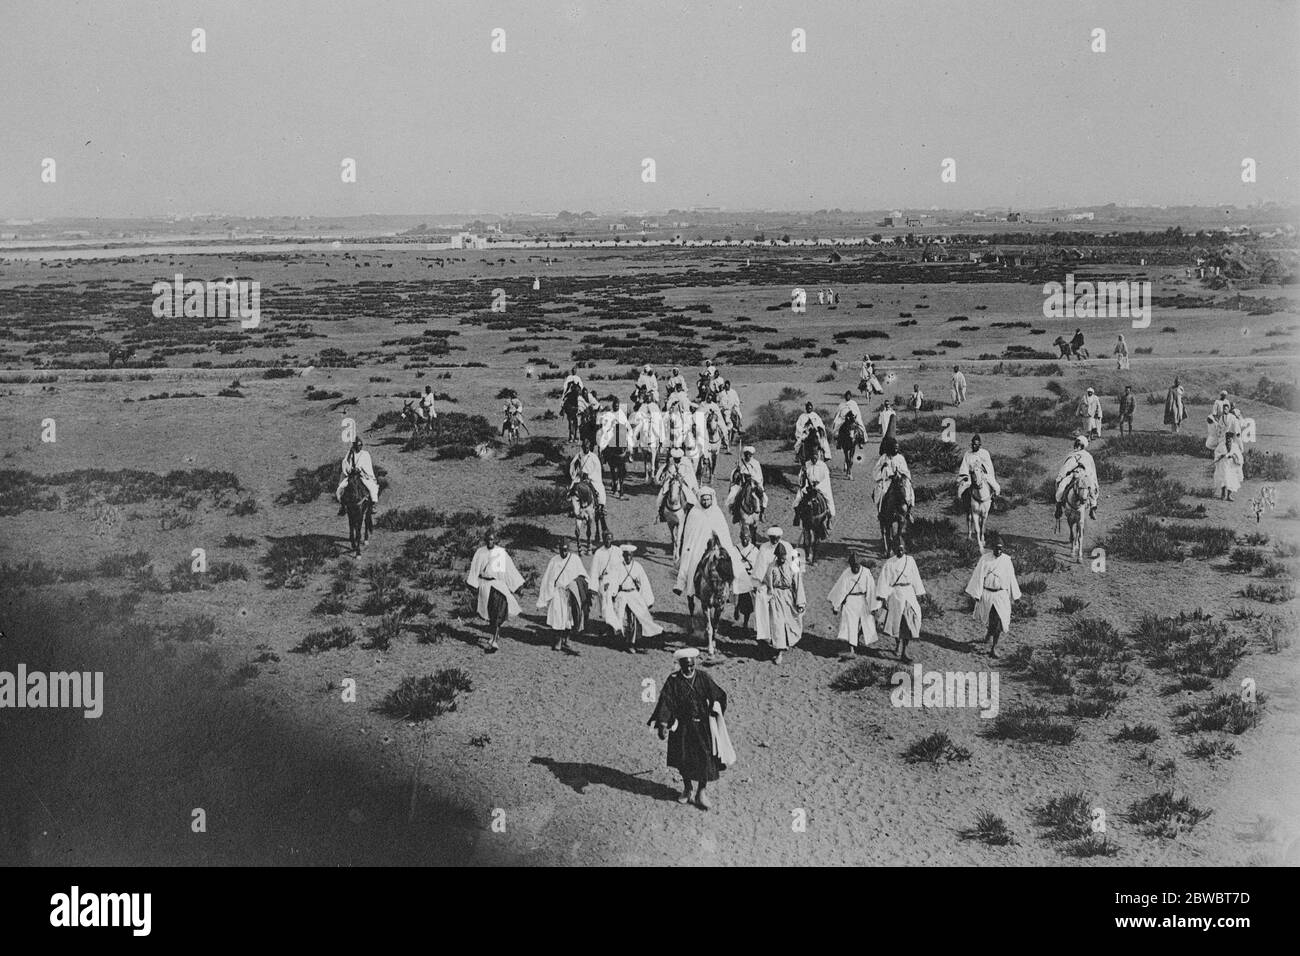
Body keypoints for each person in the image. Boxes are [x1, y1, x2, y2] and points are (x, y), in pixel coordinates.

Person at [647, 648, 728, 810]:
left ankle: (701, 792)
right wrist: (663, 724)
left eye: (691, 665)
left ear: (694, 663)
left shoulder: (703, 677)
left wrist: (715, 706)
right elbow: (666, 702)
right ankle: (687, 788)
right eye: (685, 666)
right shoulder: (674, 680)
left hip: (702, 725)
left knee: (705, 758)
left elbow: (718, 695)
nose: (689, 669)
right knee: (683, 759)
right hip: (682, 726)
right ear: (679, 665)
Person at [673, 488, 753, 599]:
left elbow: (723, 532)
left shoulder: (717, 512)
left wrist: (717, 538)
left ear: (712, 499)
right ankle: (682, 584)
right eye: (704, 500)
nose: (706, 502)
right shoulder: (694, 512)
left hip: (717, 543)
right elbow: (691, 534)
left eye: (708, 499)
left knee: (731, 560)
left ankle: (732, 588)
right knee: (691, 559)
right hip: (698, 544)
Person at [466, 530, 525, 654]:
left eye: (492, 539)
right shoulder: (480, 552)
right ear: (485, 540)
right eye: (488, 539)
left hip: (498, 585)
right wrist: (472, 585)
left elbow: (510, 570)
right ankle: (494, 636)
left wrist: (518, 586)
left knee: (498, 612)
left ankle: (494, 642)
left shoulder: (501, 553)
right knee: (491, 615)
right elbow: (474, 570)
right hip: (484, 585)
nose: (490, 542)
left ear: (496, 540)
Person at [964, 532, 1021, 658]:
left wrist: (1015, 596)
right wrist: (976, 594)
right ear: (992, 548)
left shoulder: (1006, 560)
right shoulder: (985, 559)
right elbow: (978, 576)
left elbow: (1011, 578)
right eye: (996, 548)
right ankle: (988, 636)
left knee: (999, 621)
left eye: (1001, 548)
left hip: (1001, 595)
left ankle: (993, 648)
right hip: (988, 594)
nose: (998, 551)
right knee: (992, 620)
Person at [876, 539, 926, 664]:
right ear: (893, 549)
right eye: (897, 549)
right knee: (897, 624)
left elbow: (915, 577)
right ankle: (898, 645)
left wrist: (920, 592)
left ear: (905, 549)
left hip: (909, 593)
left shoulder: (910, 561)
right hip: (896, 594)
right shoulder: (889, 563)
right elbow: (884, 580)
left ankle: (904, 651)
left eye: (902, 549)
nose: (900, 551)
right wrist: (883, 598)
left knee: (910, 622)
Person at [536, 540, 590, 654]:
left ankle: (566, 638)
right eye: (561, 550)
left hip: (570, 593)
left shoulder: (575, 559)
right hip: (557, 592)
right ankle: (558, 640)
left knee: (568, 618)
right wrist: (545, 597)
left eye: (565, 550)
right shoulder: (554, 561)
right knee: (557, 616)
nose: (563, 552)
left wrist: (575, 584)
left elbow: (583, 575)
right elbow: (547, 578)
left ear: (569, 549)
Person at [759, 541, 806, 665]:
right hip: (775, 597)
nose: (781, 559)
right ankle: (779, 652)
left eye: (783, 557)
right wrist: (765, 596)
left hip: (788, 597)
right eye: (779, 557)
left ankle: (785, 644)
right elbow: (766, 583)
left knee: (790, 622)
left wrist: (800, 602)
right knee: (777, 623)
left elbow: (798, 584)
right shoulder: (771, 567)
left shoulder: (792, 567)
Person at [607, 545, 662, 651]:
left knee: (639, 617)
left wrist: (648, 599)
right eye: (626, 555)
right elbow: (613, 581)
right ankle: (621, 641)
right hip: (622, 595)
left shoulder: (637, 566)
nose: (627, 557)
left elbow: (644, 583)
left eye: (630, 555)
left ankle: (633, 642)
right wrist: (613, 593)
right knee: (620, 618)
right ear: (622, 555)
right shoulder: (617, 566)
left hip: (633, 595)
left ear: (632, 556)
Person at [827, 551, 879, 659]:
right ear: (850, 565)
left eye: (857, 566)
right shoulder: (846, 573)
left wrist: (873, 606)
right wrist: (836, 606)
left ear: (860, 564)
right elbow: (840, 590)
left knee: (866, 622)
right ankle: (851, 649)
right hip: (850, 601)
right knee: (851, 624)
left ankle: (856, 640)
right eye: (853, 566)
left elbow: (871, 589)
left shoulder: (866, 572)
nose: (855, 568)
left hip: (862, 600)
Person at [1054, 435, 1099, 520]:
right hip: (1072, 475)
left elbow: (1091, 470)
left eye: (1079, 445)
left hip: (1084, 476)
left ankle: (1093, 508)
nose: (1077, 446)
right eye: (1076, 444)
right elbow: (1065, 468)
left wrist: (1090, 477)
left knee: (1091, 488)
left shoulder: (1087, 456)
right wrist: (1061, 477)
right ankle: (1058, 507)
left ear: (1083, 446)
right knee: (1061, 486)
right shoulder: (1071, 455)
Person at [793, 443, 836, 531]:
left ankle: (829, 518)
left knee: (829, 499)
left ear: (818, 456)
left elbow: (826, 479)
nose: (814, 459)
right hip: (808, 486)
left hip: (821, 487)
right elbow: (800, 477)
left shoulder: (823, 466)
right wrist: (804, 479)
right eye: (812, 457)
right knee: (798, 498)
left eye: (815, 457)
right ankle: (797, 516)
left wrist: (818, 486)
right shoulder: (806, 465)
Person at [335, 437, 379, 515]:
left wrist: (359, 469)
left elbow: (367, 466)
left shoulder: (365, 454)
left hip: (363, 475)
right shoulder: (350, 453)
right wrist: (350, 468)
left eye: (360, 445)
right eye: (357, 445)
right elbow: (345, 463)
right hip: (351, 476)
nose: (359, 447)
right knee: (340, 488)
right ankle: (342, 506)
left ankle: (373, 505)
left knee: (372, 487)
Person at [598, 396, 631, 498]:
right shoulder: (610, 414)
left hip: (621, 432)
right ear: (613, 405)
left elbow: (626, 424)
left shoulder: (621, 414)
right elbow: (606, 425)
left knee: (630, 440)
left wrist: (626, 428)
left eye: (617, 405)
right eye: (614, 405)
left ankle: (630, 455)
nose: (616, 406)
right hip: (612, 432)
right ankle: (603, 456)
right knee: (604, 441)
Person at [872, 436, 915, 515]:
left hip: (899, 479)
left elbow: (905, 470)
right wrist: (883, 468)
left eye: (897, 448)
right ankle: (880, 511)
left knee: (908, 490)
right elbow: (876, 470)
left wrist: (900, 474)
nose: (896, 450)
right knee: (881, 491)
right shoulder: (883, 458)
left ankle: (908, 512)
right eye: (894, 448)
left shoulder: (900, 458)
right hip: (887, 480)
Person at [726, 445, 768, 518]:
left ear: (752, 455)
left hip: (754, 484)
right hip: (742, 484)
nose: (748, 456)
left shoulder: (756, 463)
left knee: (764, 497)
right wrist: (738, 470)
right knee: (732, 495)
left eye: (750, 455)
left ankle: (762, 514)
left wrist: (752, 477)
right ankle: (735, 513)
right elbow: (734, 474)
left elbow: (760, 476)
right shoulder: (740, 462)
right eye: (746, 454)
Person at [955, 434, 1001, 500]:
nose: (974, 446)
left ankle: (994, 501)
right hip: (970, 476)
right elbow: (964, 466)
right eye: (973, 444)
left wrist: (981, 466)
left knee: (996, 487)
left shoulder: (985, 453)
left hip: (983, 475)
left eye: (976, 445)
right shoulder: (967, 454)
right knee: (961, 489)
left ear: (979, 445)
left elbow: (989, 466)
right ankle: (962, 504)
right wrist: (965, 475)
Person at [656, 446, 700, 515]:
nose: (676, 460)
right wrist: (669, 476)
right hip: (671, 482)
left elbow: (690, 474)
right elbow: (665, 472)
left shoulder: (686, 462)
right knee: (661, 494)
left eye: (678, 458)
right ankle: (660, 512)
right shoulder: (670, 462)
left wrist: (682, 478)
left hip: (683, 483)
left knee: (690, 496)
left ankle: (691, 512)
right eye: (675, 458)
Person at [732, 524, 759, 631]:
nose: (745, 540)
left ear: (750, 538)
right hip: (739, 577)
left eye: (747, 538)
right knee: (736, 595)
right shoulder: (736, 549)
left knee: (748, 603)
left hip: (749, 578)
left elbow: (757, 565)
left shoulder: (754, 550)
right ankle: (736, 608)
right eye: (743, 538)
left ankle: (746, 623)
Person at [587, 531, 618, 624]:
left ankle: (613, 624)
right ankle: (609, 624)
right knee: (605, 603)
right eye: (606, 539)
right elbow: (594, 570)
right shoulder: (599, 553)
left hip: (615, 580)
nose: (608, 541)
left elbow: (620, 567)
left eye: (610, 539)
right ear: (603, 539)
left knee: (613, 604)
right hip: (603, 581)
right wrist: (593, 586)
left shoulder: (617, 551)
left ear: (612, 539)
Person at [569, 438, 607, 507]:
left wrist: (588, 475)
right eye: (584, 447)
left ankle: (601, 507)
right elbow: (572, 466)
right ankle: (571, 506)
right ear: (582, 447)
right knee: (571, 490)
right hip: (579, 478)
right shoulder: (579, 455)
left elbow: (597, 470)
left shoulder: (594, 457)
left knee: (600, 491)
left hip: (591, 479)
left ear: (589, 447)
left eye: (587, 448)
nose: (586, 449)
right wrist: (576, 470)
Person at [1213, 432, 1244, 501]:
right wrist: (1220, 455)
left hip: (1232, 465)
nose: (1228, 441)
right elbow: (1216, 452)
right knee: (1224, 478)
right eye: (1227, 439)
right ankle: (1223, 494)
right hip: (1223, 464)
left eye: (1230, 439)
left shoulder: (1235, 446)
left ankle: (1229, 496)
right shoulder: (1221, 445)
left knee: (1231, 480)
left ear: (1232, 439)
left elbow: (1239, 455)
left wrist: (1234, 457)